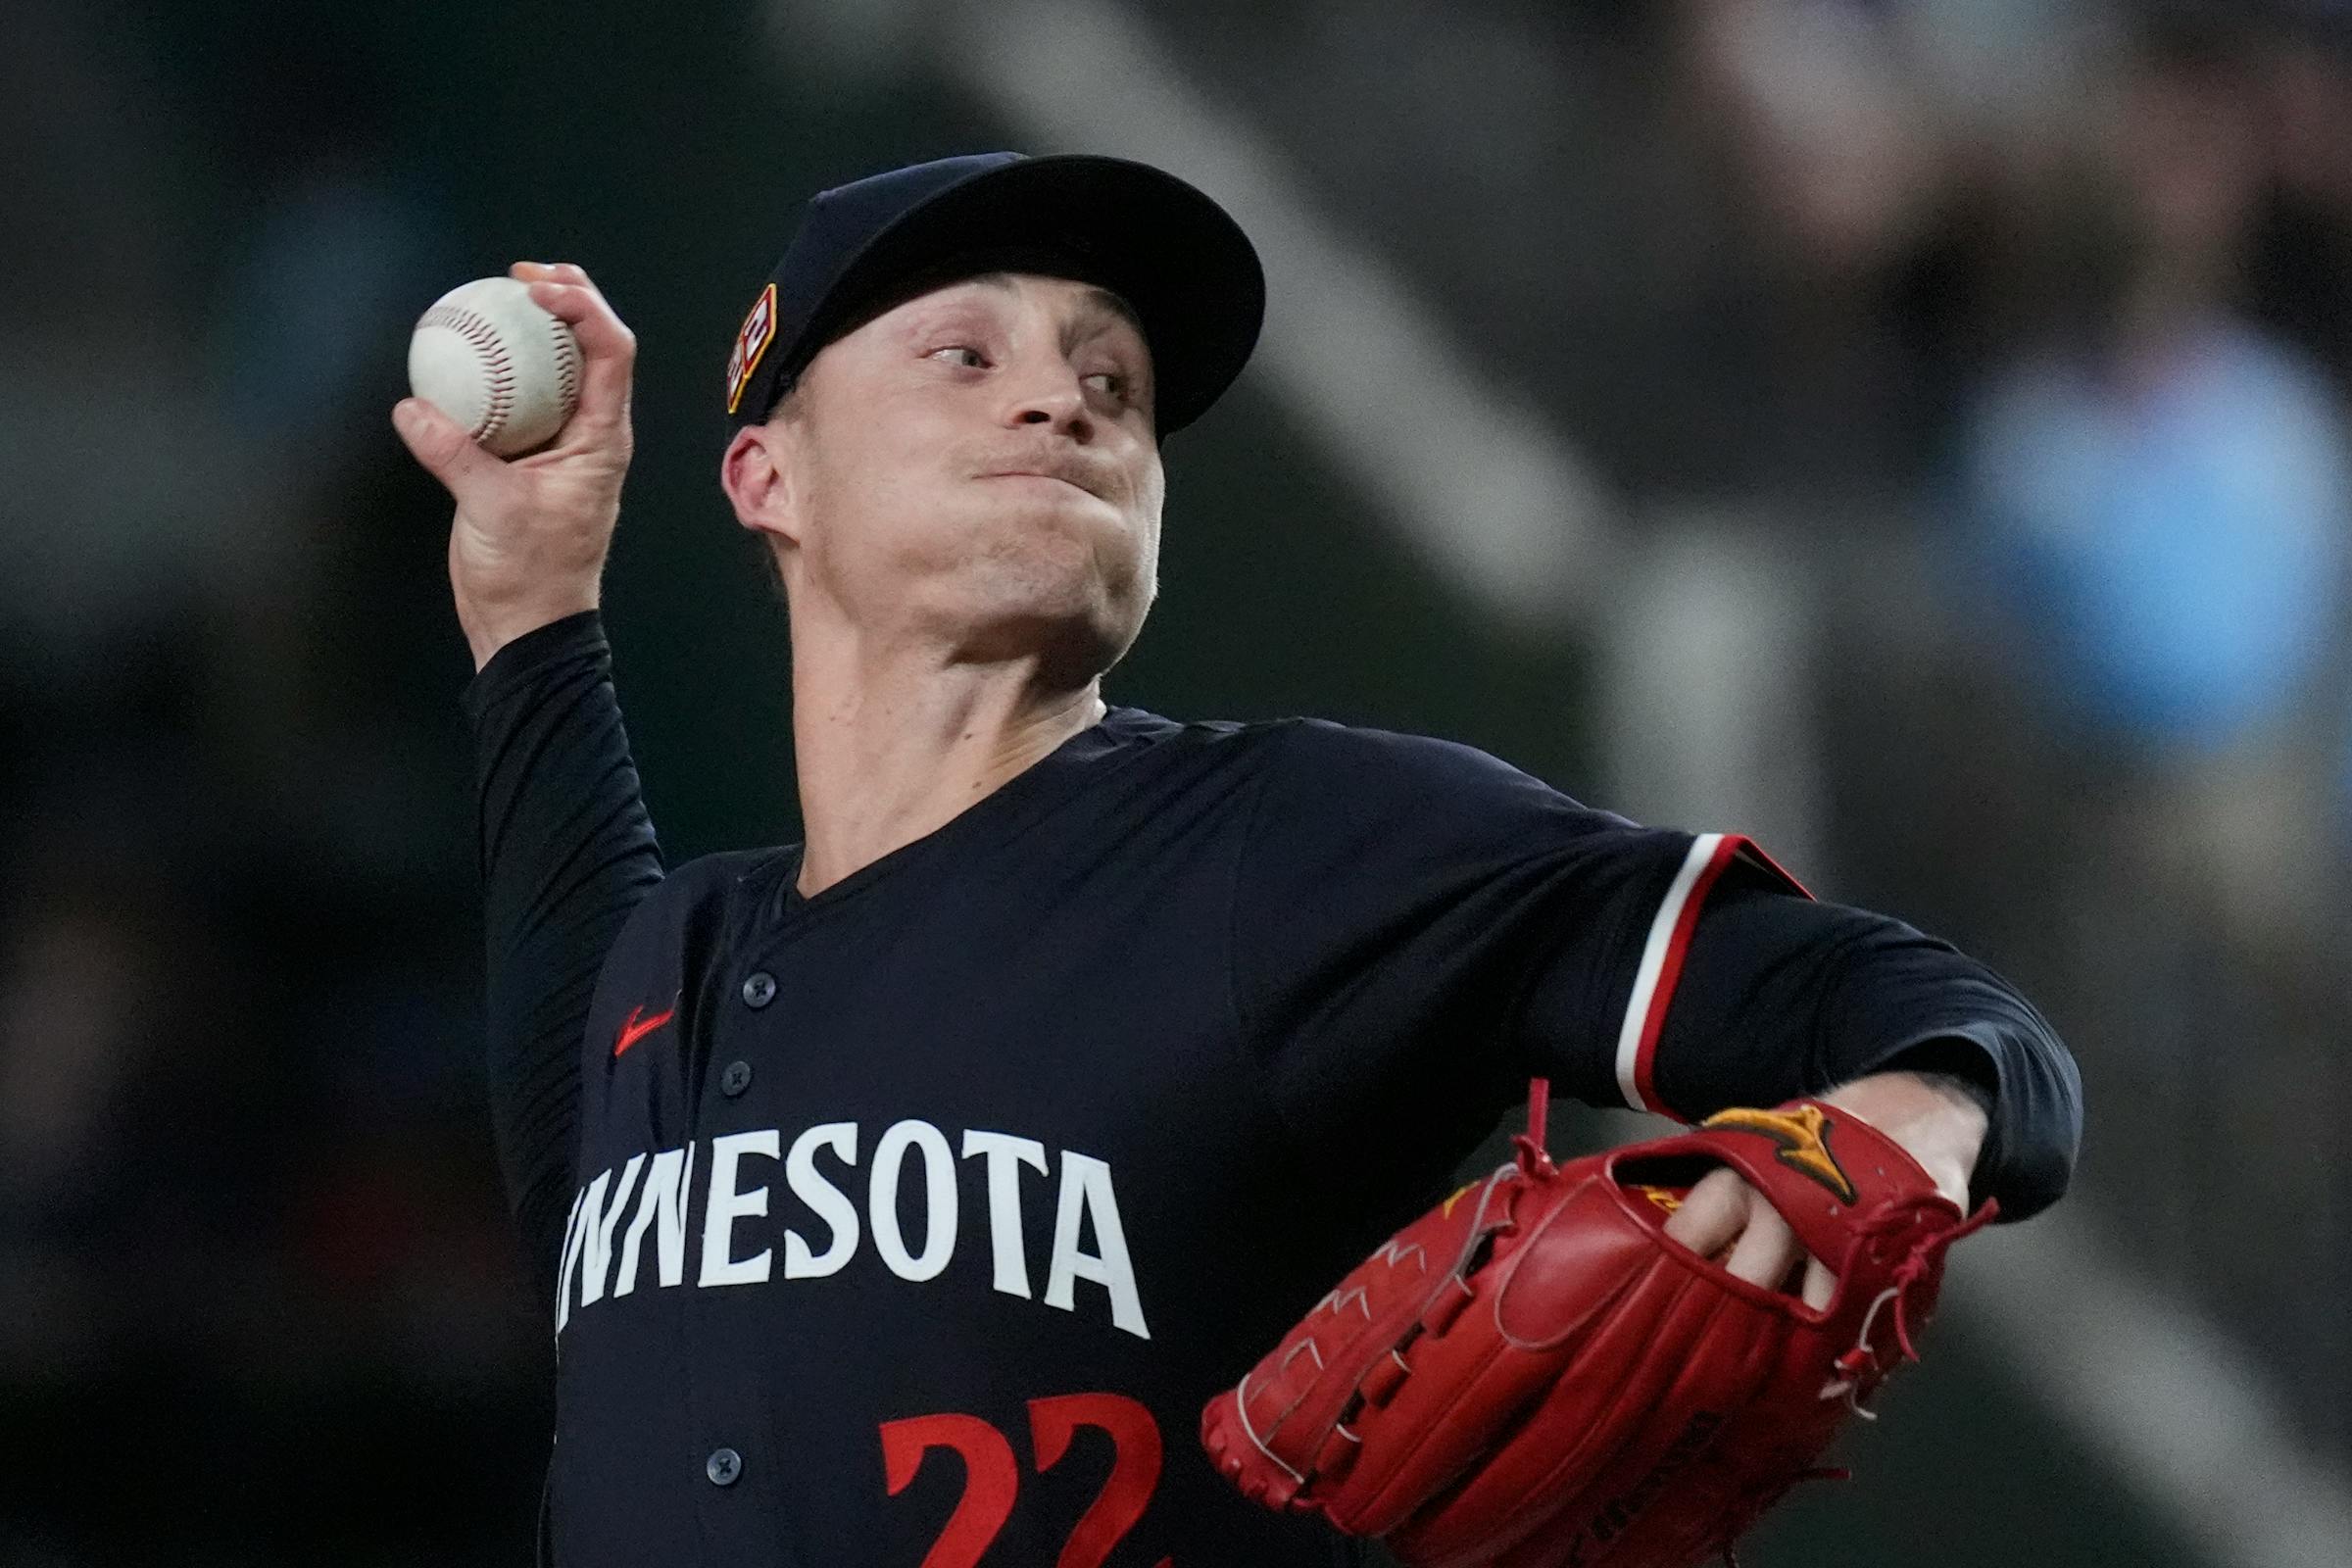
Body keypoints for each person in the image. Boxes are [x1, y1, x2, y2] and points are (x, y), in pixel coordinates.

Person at [391, 152, 2081, 1568]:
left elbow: (1943, 1020)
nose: (1062, 394)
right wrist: (532, 600)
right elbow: (559, 919)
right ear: (771, 475)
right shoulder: (663, 977)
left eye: (1112, 382)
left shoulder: (1298, 847)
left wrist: (1927, 1108)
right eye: (964, 356)